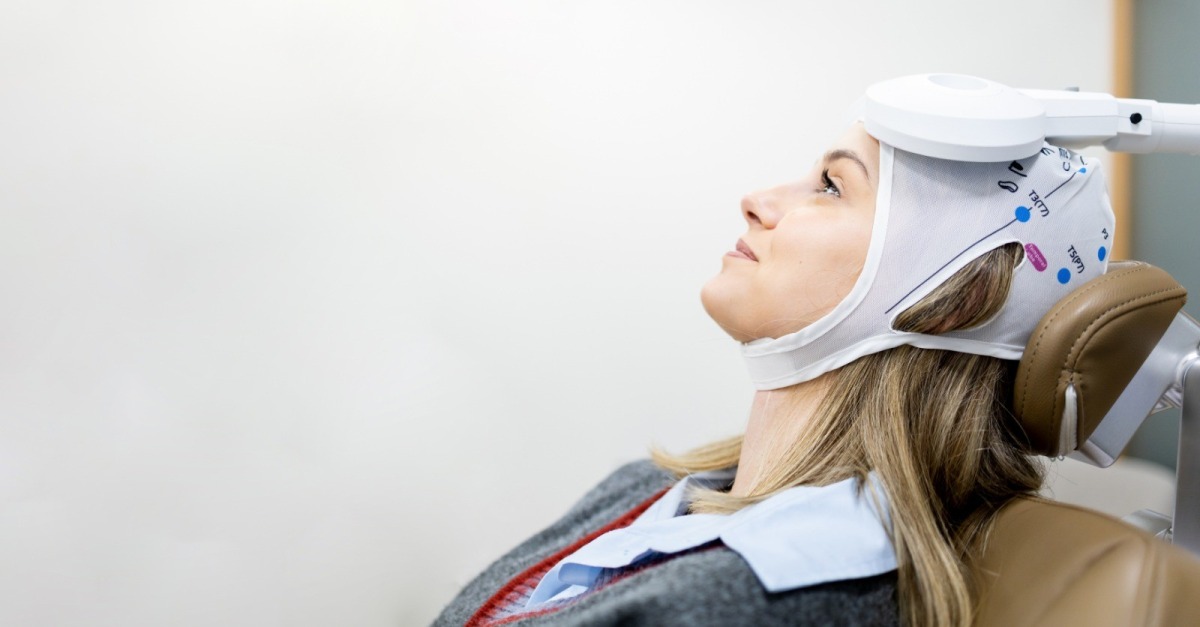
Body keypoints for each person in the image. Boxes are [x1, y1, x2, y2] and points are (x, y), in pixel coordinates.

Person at [433, 109, 1114, 626]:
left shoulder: (755, 601)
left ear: (947, 299)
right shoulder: (651, 488)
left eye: (830, 185)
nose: (758, 199)